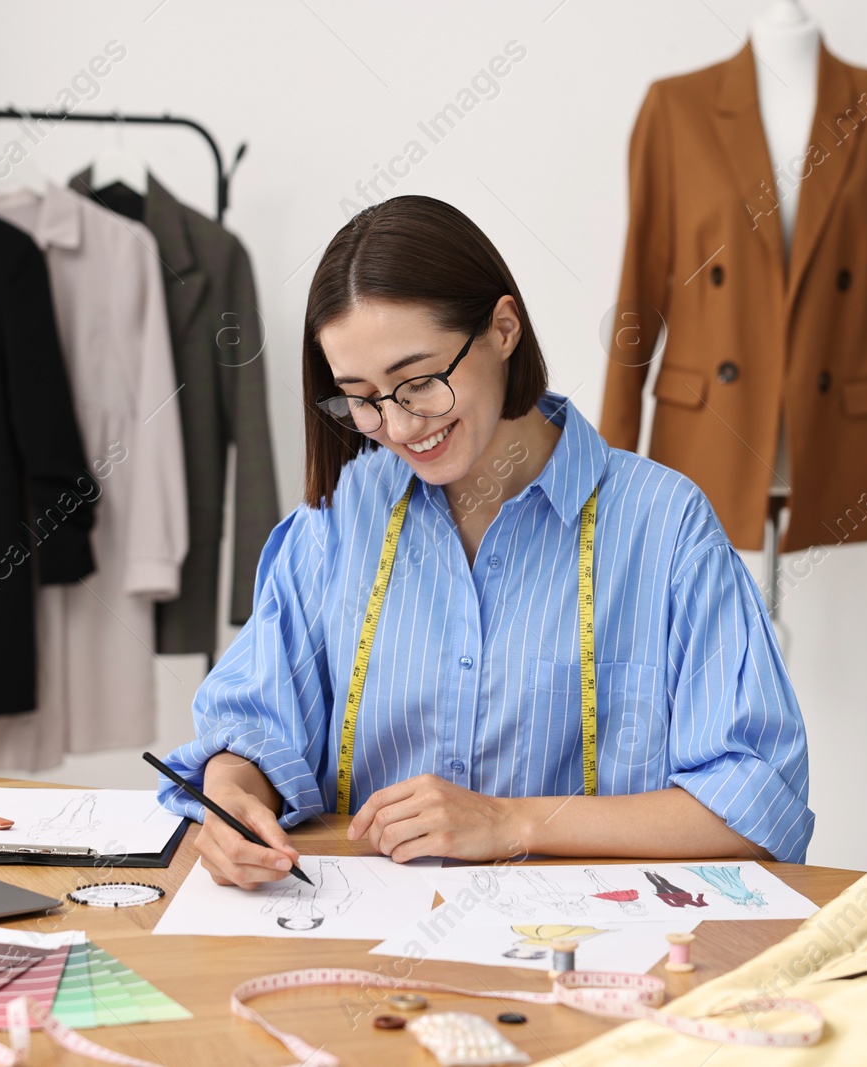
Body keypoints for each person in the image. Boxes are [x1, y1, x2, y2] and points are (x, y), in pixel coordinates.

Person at [156, 195, 812, 888]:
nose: (398, 426)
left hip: (583, 961)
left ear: (503, 329)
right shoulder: (340, 520)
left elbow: (754, 806)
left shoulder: (665, 527)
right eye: (360, 396)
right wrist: (230, 793)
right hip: (364, 956)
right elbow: (255, 725)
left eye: (419, 383)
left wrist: (511, 822)